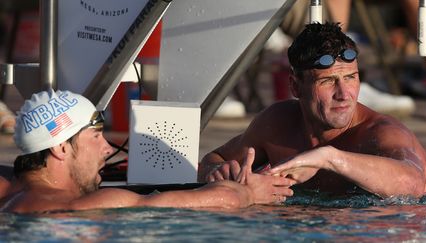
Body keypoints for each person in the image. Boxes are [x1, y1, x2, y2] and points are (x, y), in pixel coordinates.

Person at [198, 22, 426, 199]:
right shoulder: (278, 124)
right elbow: (212, 159)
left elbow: (412, 185)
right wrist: (218, 171)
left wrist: (329, 158)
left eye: (351, 78)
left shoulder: (381, 133)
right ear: (295, 86)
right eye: (328, 81)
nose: (344, 93)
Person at [0, 89, 294, 213]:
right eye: (95, 137)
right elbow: (219, 199)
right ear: (61, 148)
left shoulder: (7, 195)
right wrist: (250, 192)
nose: (107, 148)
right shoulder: (76, 209)